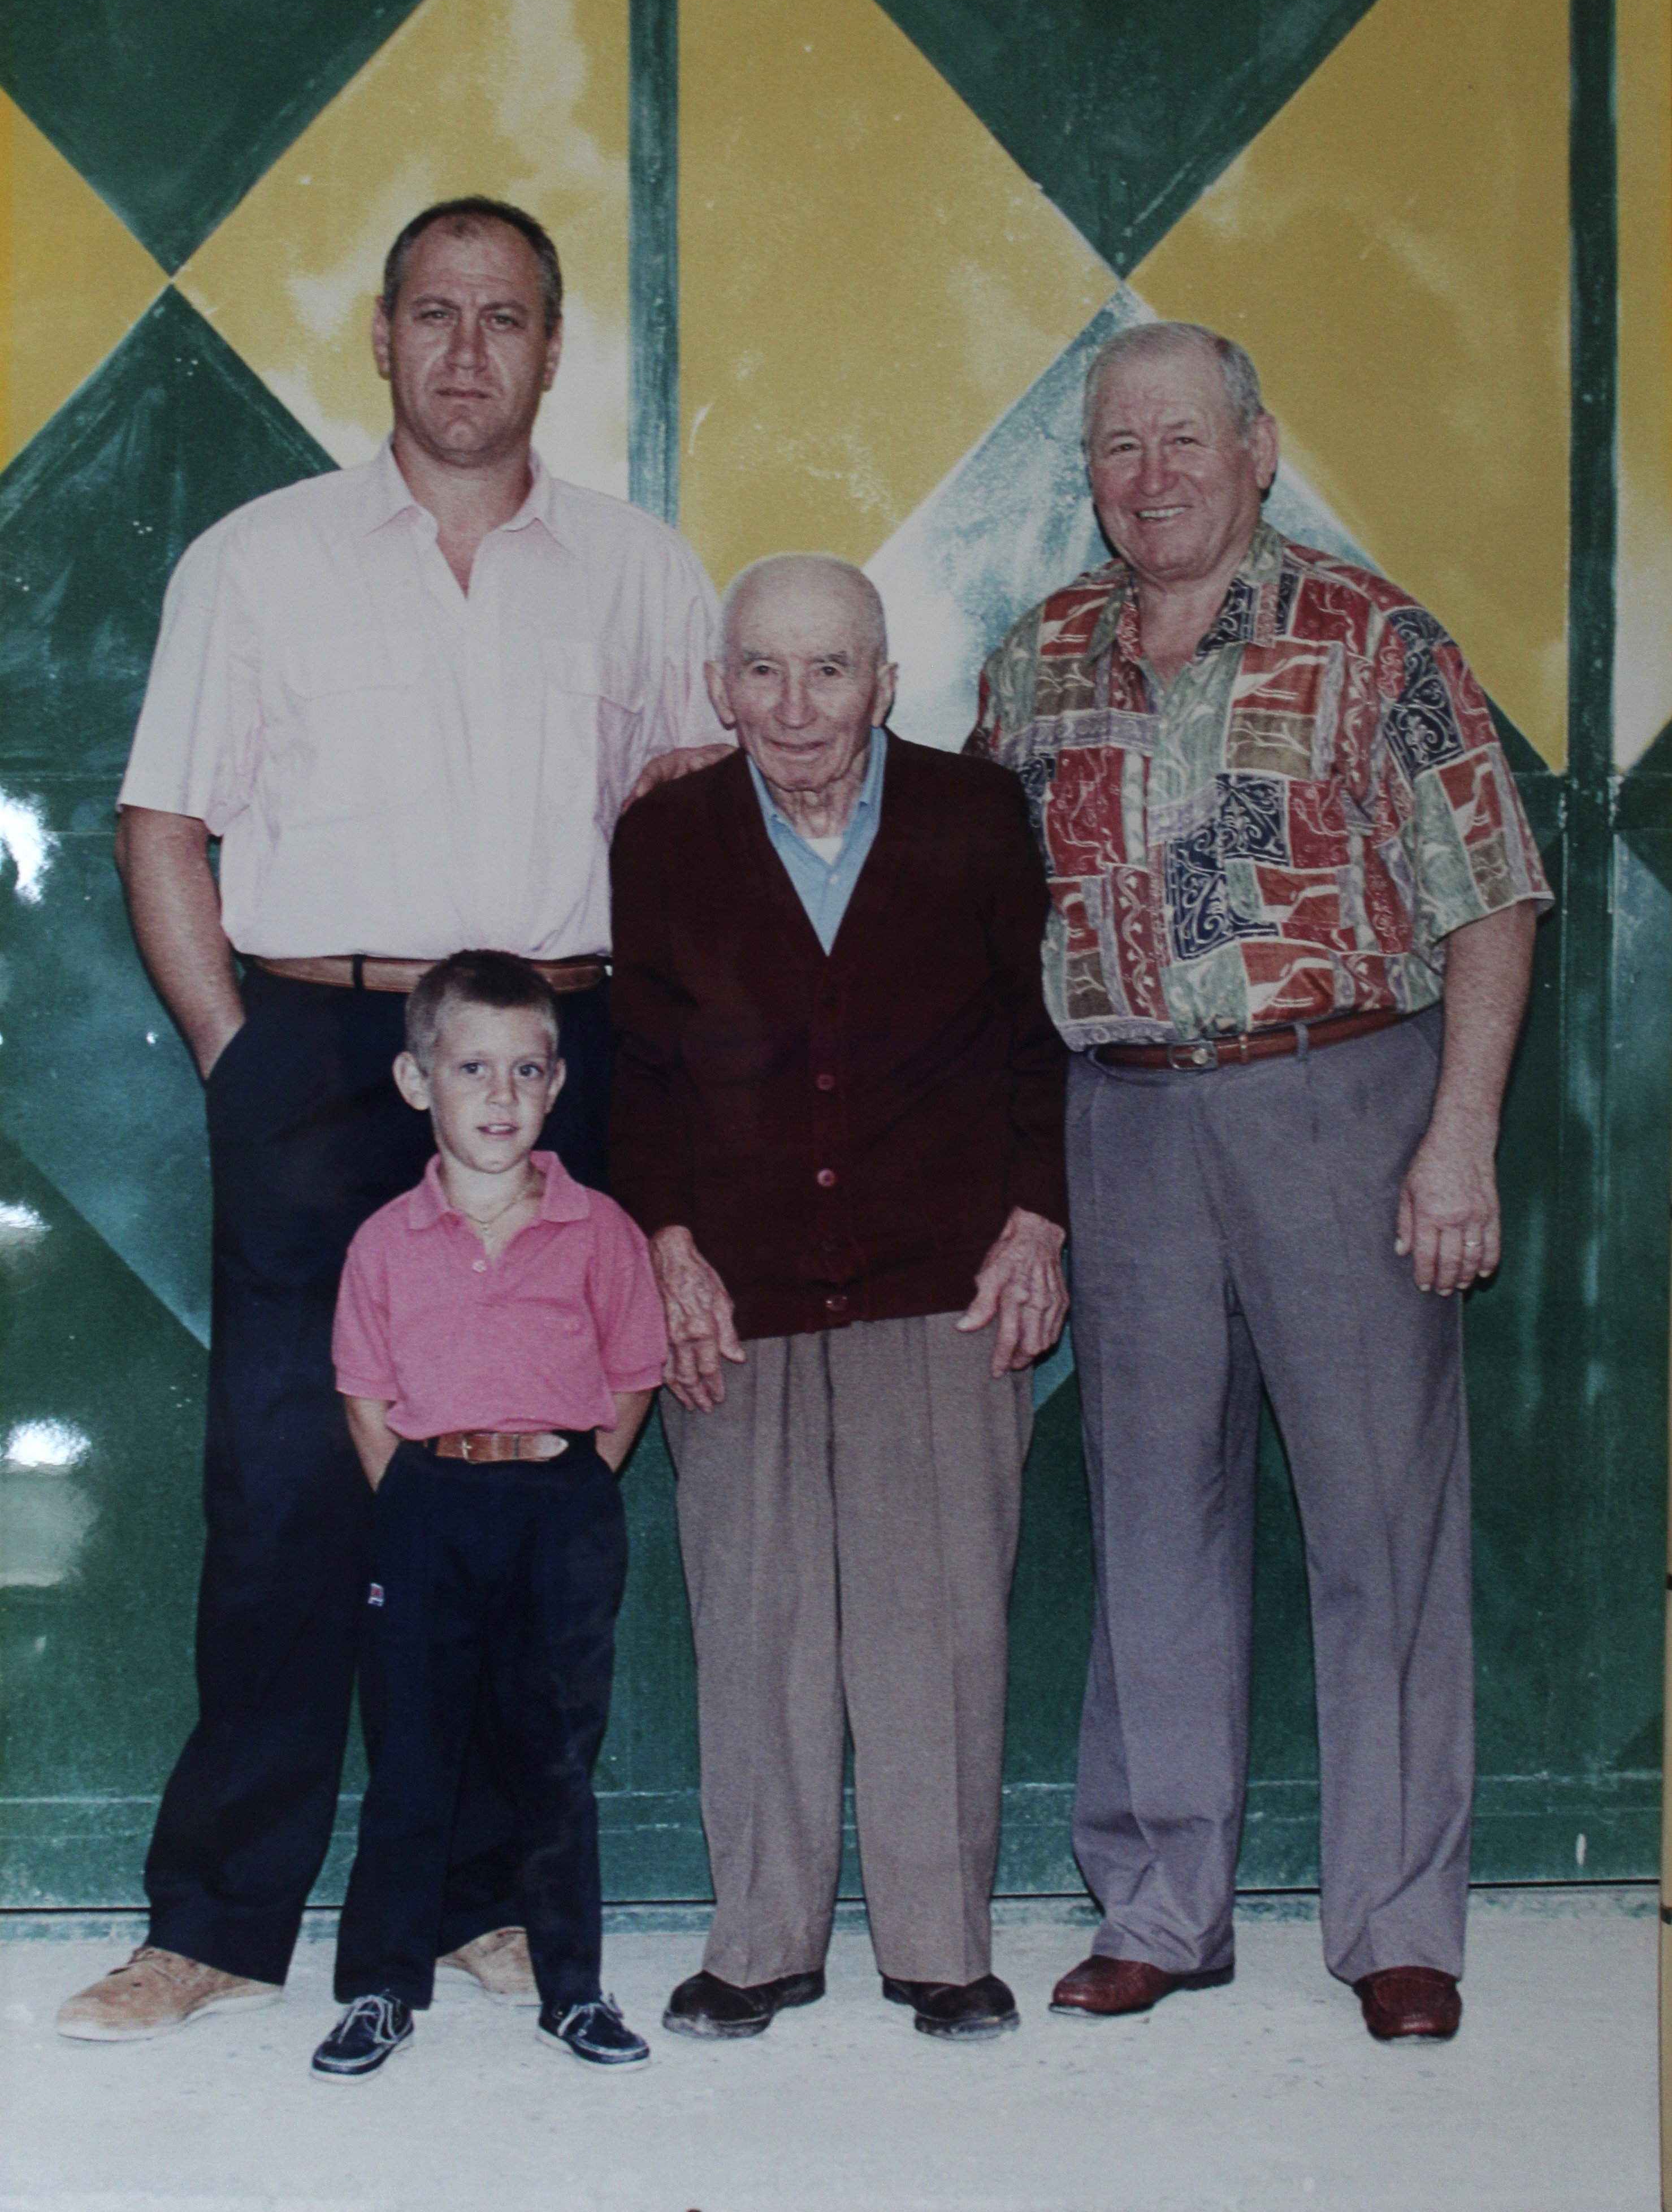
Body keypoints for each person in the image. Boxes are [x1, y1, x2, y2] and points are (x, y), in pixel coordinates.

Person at [59, 196, 726, 2043]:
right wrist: (239, 1059)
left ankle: (489, 1904)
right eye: (431, 313)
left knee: (526, 1501)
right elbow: (161, 826)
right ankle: (208, 1922)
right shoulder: (257, 560)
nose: (462, 350)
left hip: (558, 1057)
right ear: (380, 337)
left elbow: (681, 846)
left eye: (501, 317)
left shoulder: (640, 572)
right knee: (285, 1494)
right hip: (322, 1051)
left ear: (547, 348)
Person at [967, 321, 1550, 2044]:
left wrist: (1456, 1136)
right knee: (1152, 1514)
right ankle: (1160, 1906)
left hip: (1342, 1099)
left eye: (1177, 442)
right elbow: (961, 905)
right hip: (1123, 1116)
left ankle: (1393, 1927)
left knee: (1377, 1523)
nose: (1145, 478)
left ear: (1254, 448)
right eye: (1113, 449)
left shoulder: (1375, 639)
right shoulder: (1035, 662)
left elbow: (1490, 897)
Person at [609, 553, 1070, 2044]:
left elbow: (1034, 1043)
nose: (793, 705)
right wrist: (666, 1246)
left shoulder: (970, 815)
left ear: (885, 683)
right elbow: (643, 1065)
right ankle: (759, 1944)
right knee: (753, 1614)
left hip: (938, 1281)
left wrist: (1035, 1222)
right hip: (731, 1286)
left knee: (932, 1623)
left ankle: (940, 1948)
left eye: (827, 670)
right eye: (760, 669)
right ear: (716, 687)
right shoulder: (666, 834)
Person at [311, 952, 664, 2080]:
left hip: (560, 1505)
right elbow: (364, 1396)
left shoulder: (601, 1230)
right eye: (472, 1067)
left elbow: (633, 1376)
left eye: (527, 1069)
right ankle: (378, 1988)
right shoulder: (383, 1242)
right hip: (428, 1506)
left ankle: (573, 1991)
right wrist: (425, 1496)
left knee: (554, 1763)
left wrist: (569, 1486)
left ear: (558, 1085)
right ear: (418, 1082)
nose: (501, 1096)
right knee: (412, 1759)